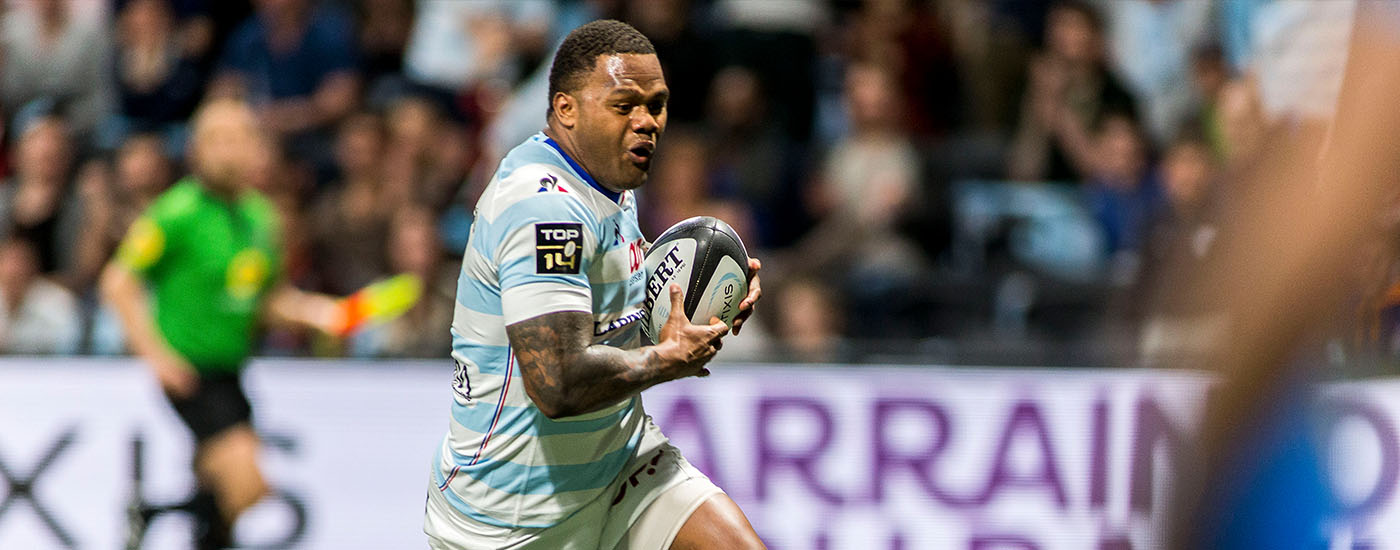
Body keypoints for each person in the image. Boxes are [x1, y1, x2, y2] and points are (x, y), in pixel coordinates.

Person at [424, 20, 765, 550]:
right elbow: (557, 383)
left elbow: (617, 321)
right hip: (512, 518)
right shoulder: (544, 209)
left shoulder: (609, 182)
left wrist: (695, 314)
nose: (647, 122)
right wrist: (668, 360)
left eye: (656, 105)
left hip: (619, 466)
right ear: (567, 109)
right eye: (624, 105)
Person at [100, 98, 386, 549]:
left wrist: (318, 314)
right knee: (249, 485)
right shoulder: (176, 213)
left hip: (233, 369)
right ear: (197, 150)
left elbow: (267, 299)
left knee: (223, 503)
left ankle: (167, 519)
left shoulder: (261, 218)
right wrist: (156, 355)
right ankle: (153, 513)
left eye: (238, 139)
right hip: (191, 372)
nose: (229, 151)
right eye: (218, 140)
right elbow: (118, 282)